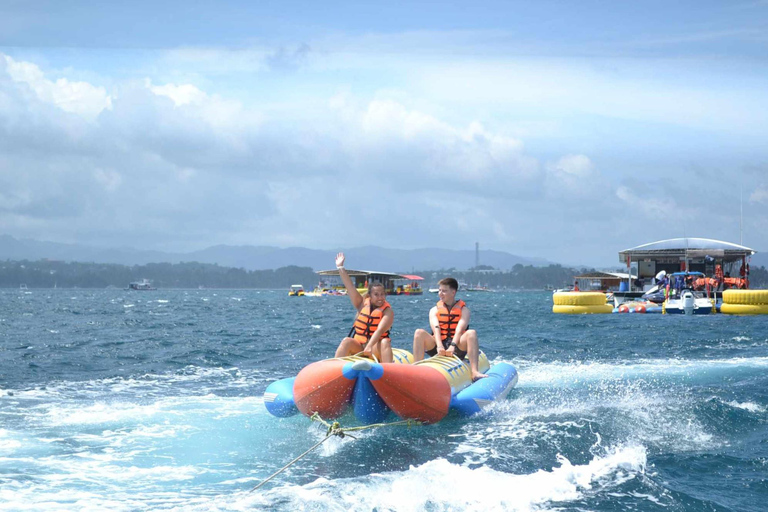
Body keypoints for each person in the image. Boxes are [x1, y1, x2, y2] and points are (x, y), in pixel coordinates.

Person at [412, 277, 487, 381]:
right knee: (419, 332)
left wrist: (452, 346)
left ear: (453, 292)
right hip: (438, 346)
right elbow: (436, 328)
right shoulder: (434, 310)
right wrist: (439, 346)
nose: (440, 293)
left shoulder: (464, 310)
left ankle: (474, 371)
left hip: (457, 347)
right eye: (439, 290)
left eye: (444, 291)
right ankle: (415, 370)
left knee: (471, 333)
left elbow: (460, 329)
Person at [333, 252, 394, 363]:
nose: (380, 297)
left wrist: (370, 346)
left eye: (382, 294)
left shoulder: (387, 311)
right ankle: (334, 370)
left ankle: (388, 374)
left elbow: (380, 330)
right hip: (360, 347)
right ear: (370, 296)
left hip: (375, 348)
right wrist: (340, 267)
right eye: (376, 295)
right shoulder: (362, 304)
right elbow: (350, 287)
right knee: (346, 341)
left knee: (385, 342)